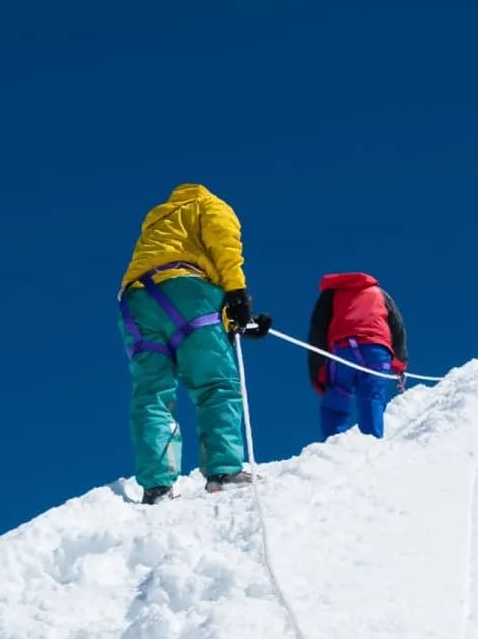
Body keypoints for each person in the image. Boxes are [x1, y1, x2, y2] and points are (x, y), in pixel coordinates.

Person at [118, 183, 271, 504]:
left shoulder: (157, 220)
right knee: (216, 383)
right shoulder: (209, 205)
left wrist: (235, 324)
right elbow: (224, 245)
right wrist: (238, 294)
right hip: (188, 289)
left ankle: (156, 487)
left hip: (135, 300)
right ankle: (223, 471)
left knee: (151, 394)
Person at [306, 272, 408, 439]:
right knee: (373, 397)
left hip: (343, 349)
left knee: (337, 394)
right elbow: (397, 328)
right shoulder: (380, 294)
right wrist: (399, 364)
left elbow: (317, 330)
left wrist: (317, 371)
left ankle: (333, 443)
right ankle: (371, 442)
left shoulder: (330, 295)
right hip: (377, 350)